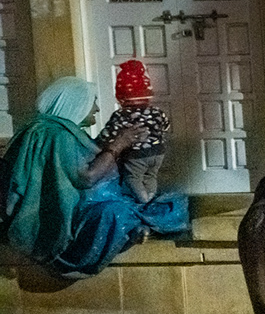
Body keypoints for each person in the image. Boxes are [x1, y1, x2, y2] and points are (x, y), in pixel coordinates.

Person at [0, 76, 189, 278]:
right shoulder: (58, 135)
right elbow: (87, 178)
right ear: (77, 103)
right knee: (117, 212)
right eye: (93, 102)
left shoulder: (41, 129)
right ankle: (129, 231)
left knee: (161, 200)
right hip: (67, 219)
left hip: (75, 208)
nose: (97, 109)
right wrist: (119, 144)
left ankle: (134, 227)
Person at [99, 59, 171, 204]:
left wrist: (101, 142)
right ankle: (150, 197)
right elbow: (166, 126)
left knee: (132, 177)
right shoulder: (157, 111)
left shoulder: (121, 115)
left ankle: (143, 199)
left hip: (136, 154)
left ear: (121, 97)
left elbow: (108, 135)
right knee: (151, 176)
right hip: (158, 152)